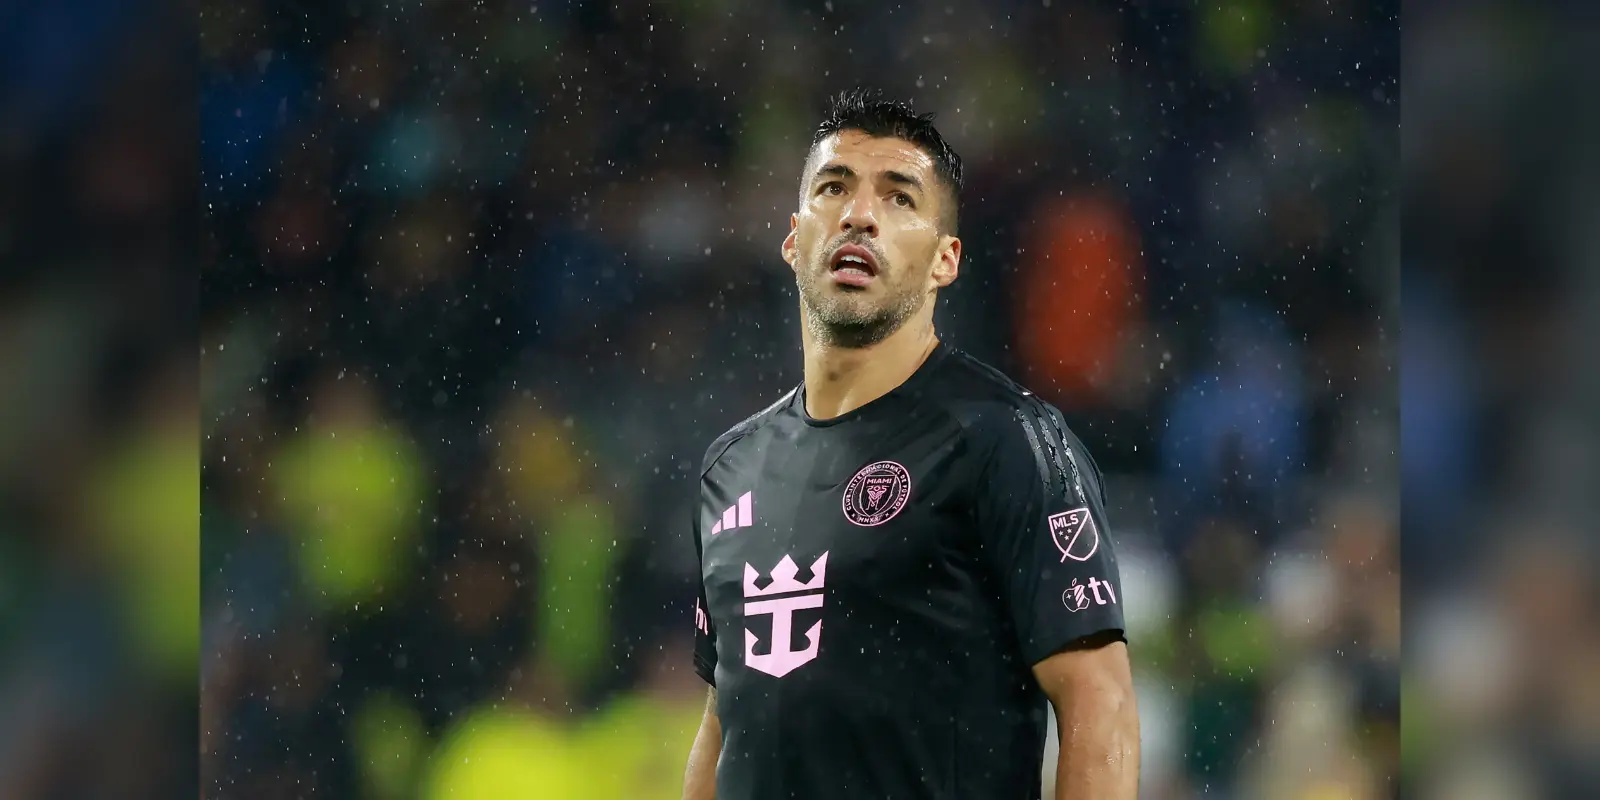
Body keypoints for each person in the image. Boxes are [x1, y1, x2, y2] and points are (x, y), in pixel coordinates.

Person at [680, 88, 1139, 800]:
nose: (859, 215)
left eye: (899, 198)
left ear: (945, 261)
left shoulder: (1004, 439)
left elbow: (1098, 701)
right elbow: (723, 720)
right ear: (794, 240)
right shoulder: (730, 469)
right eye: (834, 187)